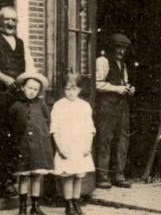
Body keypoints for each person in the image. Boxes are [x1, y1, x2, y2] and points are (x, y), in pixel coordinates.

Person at [0, 5, 35, 195]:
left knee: (16, 138)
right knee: (0, 138)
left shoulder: (21, 43)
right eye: (6, 19)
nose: (10, 23)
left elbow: (30, 69)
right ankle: (1, 183)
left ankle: (12, 181)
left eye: (13, 20)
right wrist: (3, 77)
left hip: (18, 98)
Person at [94, 33, 135, 189]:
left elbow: (124, 82)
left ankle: (119, 175)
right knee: (105, 139)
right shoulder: (103, 61)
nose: (121, 51)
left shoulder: (122, 64)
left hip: (121, 106)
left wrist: (129, 88)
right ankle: (102, 176)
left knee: (122, 140)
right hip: (107, 105)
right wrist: (117, 89)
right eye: (118, 47)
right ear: (112, 47)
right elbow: (97, 84)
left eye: (124, 48)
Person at [52, 74, 95, 215]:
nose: (71, 92)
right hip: (66, 145)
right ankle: (68, 204)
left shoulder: (84, 106)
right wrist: (60, 148)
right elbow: (54, 129)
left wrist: (88, 145)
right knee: (68, 175)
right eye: (67, 89)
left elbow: (90, 128)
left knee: (78, 175)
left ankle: (77, 202)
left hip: (80, 145)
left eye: (74, 89)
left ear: (79, 90)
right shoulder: (59, 106)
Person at [10, 72, 52, 215]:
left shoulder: (41, 105)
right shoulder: (16, 105)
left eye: (35, 89)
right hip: (23, 146)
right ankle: (22, 208)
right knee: (24, 176)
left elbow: (47, 121)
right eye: (29, 88)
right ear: (23, 87)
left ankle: (35, 206)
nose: (32, 92)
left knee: (36, 176)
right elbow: (11, 125)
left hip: (39, 146)